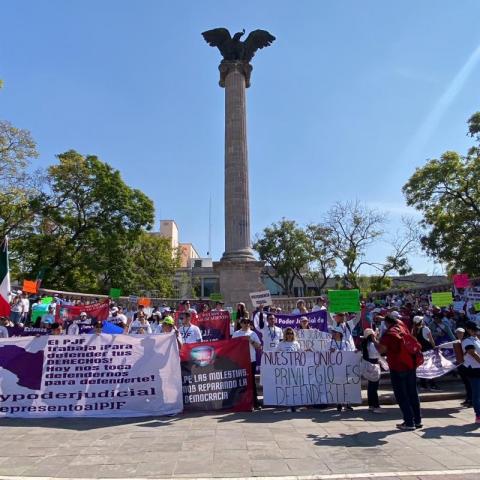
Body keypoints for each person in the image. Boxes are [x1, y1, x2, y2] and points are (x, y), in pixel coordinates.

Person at [377, 313, 423, 431]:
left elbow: (381, 350)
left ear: (387, 323)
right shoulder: (403, 327)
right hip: (410, 364)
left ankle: (409, 422)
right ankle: (417, 421)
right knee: (413, 393)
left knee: (402, 395)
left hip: (397, 367)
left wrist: (375, 339)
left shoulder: (389, 334)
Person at [232, 317, 262, 410]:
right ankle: (240, 402)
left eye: (247, 322)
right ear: (240, 324)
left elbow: (259, 346)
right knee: (241, 382)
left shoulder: (252, 333)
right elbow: (231, 347)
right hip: (240, 361)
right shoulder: (236, 334)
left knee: (252, 382)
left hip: (251, 360)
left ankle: (255, 403)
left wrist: (250, 340)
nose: (246, 324)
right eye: (244, 322)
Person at [329, 326, 354, 412]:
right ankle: (339, 403)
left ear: (340, 334)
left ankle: (348, 403)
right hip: (336, 368)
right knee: (338, 386)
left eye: (335, 332)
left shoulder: (346, 343)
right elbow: (326, 355)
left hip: (346, 367)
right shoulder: (330, 343)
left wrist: (356, 352)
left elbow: (351, 353)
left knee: (347, 386)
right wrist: (330, 352)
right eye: (333, 332)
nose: (334, 334)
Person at [412, 315, 439, 391]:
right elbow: (431, 340)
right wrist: (435, 347)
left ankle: (423, 385)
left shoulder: (413, 330)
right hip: (428, 351)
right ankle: (433, 385)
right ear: (421, 322)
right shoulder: (426, 329)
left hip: (419, 352)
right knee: (430, 367)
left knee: (422, 368)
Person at [462, 321, 480, 423]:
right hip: (473, 370)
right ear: (468, 330)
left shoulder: (476, 339)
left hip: (478, 368)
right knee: (476, 394)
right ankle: (478, 415)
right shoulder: (467, 341)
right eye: (473, 329)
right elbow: (473, 354)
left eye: (476, 329)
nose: (475, 331)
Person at [361, 328, 382, 413]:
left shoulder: (366, 344)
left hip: (369, 365)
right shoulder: (373, 345)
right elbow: (379, 351)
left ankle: (371, 405)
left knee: (371, 386)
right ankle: (375, 404)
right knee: (374, 387)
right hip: (374, 366)